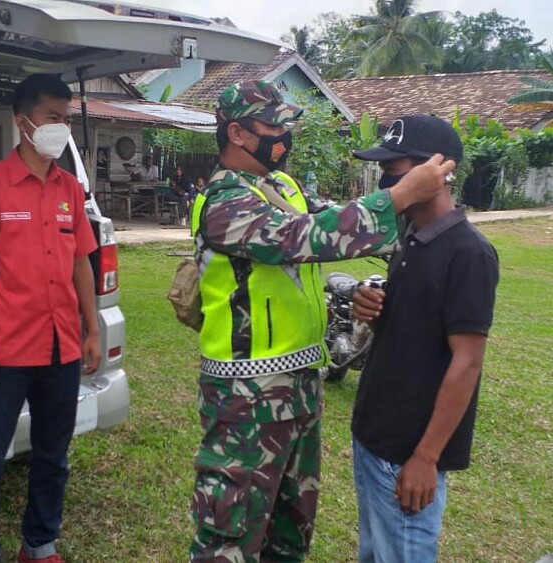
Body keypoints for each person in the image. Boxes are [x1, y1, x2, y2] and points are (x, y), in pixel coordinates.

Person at [188, 81, 456, 563]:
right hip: (245, 397)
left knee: (291, 530)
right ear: (238, 133)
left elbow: (338, 228)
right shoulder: (223, 201)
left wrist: (354, 291)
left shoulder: (281, 186)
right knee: (230, 535)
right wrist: (399, 195)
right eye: (273, 125)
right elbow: (305, 237)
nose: (284, 134)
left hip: (300, 384)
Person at [0, 73, 101, 563]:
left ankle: (39, 545)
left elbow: (82, 261)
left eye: (66, 118)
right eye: (53, 118)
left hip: (62, 348)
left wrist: (93, 329)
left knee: (52, 459)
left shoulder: (70, 190)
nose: (61, 127)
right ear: (24, 122)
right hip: (6, 352)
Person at [350, 116, 499, 562]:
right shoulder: (410, 238)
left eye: (396, 168)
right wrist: (371, 310)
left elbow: (467, 362)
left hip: (408, 453)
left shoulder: (469, 253)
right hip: (374, 436)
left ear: (441, 170)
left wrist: (426, 458)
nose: (387, 179)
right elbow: (412, 335)